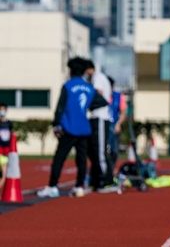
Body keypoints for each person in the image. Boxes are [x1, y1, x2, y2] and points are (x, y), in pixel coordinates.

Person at [37, 57, 109, 198]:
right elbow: (102, 102)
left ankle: (52, 186)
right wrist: (87, 107)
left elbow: (60, 107)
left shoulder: (68, 86)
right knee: (81, 159)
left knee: (59, 158)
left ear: (71, 70)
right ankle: (79, 186)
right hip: (84, 128)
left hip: (69, 128)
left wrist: (56, 125)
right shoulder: (89, 88)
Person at [85, 60, 115, 192]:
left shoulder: (97, 77)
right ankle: (97, 179)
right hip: (98, 117)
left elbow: (98, 94)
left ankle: (105, 180)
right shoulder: (99, 77)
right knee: (94, 150)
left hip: (100, 117)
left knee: (100, 150)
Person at [107, 76, 127, 169]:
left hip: (114, 125)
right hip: (104, 125)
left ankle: (111, 168)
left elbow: (123, 113)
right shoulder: (102, 95)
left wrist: (118, 124)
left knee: (114, 150)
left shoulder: (119, 96)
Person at [0, 103, 13, 193]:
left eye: (3, 110)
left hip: (5, 151)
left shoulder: (9, 123)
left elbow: (12, 134)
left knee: (3, 174)